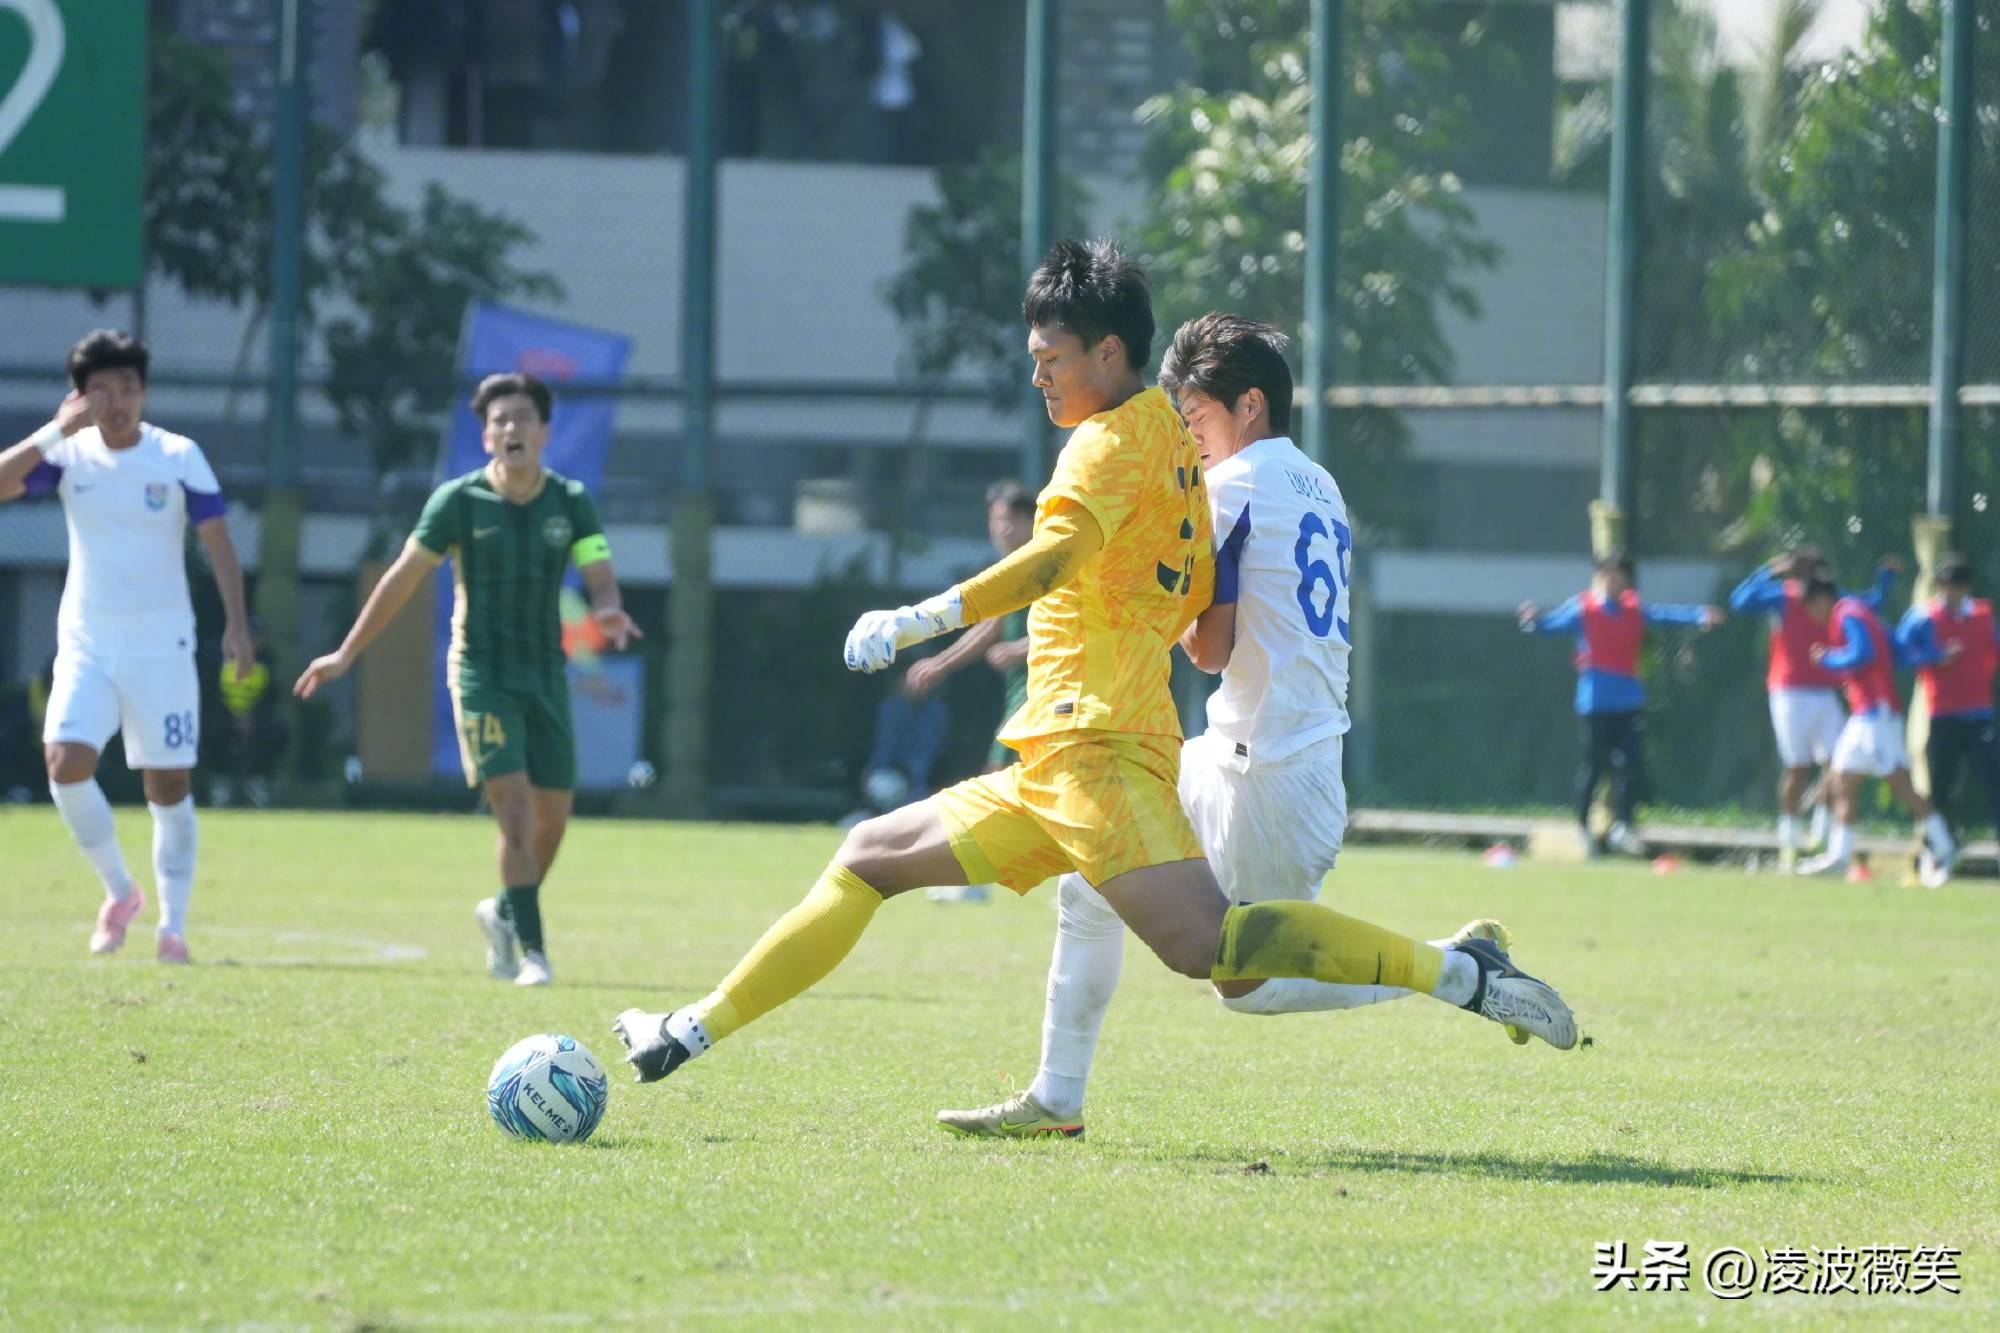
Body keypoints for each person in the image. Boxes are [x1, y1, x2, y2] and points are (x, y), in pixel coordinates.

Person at [611, 240, 1576, 1092]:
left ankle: (1458, 971)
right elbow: (1193, 600)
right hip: (1071, 752)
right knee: (869, 857)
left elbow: (1059, 559)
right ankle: (689, 1034)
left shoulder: (1118, 448)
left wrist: (924, 616)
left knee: (1225, 957)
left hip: (1115, 752)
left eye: (1048, 358)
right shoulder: (1179, 441)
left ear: (1108, 355)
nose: (1035, 376)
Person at [936, 312, 1517, 1139]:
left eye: (1197, 419)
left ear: (1250, 406)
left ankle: (1454, 970)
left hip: (1266, 773)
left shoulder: (1232, 488)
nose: (1189, 439)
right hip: (1265, 754)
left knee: (1243, 981)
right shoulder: (1319, 481)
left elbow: (1208, 648)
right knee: (1090, 876)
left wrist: (1143, 581)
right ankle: (1058, 1097)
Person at [294, 372, 640, 986]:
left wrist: (607, 605)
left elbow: (598, 570)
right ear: (486, 437)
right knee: (512, 808)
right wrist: (347, 653)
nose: (512, 429)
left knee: (553, 817)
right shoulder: (457, 502)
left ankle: (503, 911)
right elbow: (403, 577)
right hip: (480, 672)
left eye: (523, 419)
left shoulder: (570, 500)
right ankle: (534, 952)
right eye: (501, 420)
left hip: (544, 675)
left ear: (544, 433)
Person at [0, 330, 255, 963]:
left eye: (130, 388)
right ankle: (120, 892)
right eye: (104, 390)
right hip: (87, 644)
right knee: (64, 765)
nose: (117, 402)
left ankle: (173, 926)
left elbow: (218, 539)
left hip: (162, 648)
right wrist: (52, 431)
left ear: (144, 392)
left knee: (167, 786)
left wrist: (237, 623)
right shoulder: (68, 455)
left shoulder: (178, 455)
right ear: (81, 394)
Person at [1520, 555, 1722, 857]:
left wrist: (1698, 616)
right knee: (1594, 767)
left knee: (1629, 764)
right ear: (1599, 576)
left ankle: (1623, 827)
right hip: (1595, 703)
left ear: (1626, 580)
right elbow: (1547, 625)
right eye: (1608, 575)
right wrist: (1533, 619)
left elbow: (1665, 615)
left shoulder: (1633, 610)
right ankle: (1583, 829)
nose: (1613, 581)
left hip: (1628, 701)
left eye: (1619, 576)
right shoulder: (1583, 608)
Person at [903, 479, 1037, 901]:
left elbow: (1080, 624)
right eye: (995, 521)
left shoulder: (1049, 564)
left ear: (1031, 521)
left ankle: (973, 882)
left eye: (1009, 521)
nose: (1001, 530)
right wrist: (941, 664)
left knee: (995, 781)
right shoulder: (1014, 570)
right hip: (1026, 695)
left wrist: (1021, 648)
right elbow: (991, 625)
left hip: (1048, 693)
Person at [1730, 548, 1897, 869]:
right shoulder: (1782, 596)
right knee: (1797, 767)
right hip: (1789, 692)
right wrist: (1771, 570)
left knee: (1838, 763)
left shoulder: (1830, 598)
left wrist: (1886, 579)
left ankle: (1820, 830)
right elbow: (1739, 600)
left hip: (1825, 690)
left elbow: (1871, 603)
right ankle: (1789, 839)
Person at [1795, 577, 1956, 879]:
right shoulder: (1862, 612)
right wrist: (1935, 655)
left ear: (1820, 600)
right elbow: (1897, 649)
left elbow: (1863, 653)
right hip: (1864, 714)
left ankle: (1945, 848)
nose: (1814, 617)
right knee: (1842, 780)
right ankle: (1839, 858)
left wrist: (1827, 658)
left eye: (1811, 609)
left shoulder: (1847, 614)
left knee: (1900, 785)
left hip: (1877, 714)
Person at [1894, 556, 1999, 885]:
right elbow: (1898, 651)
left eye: (1955, 587)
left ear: (1966, 588)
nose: (1948, 593)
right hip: (1942, 716)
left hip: (1979, 715)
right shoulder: (1924, 617)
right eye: (1944, 586)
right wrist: (1935, 657)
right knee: (1939, 788)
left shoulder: (1982, 615)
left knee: (1993, 780)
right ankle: (1934, 854)